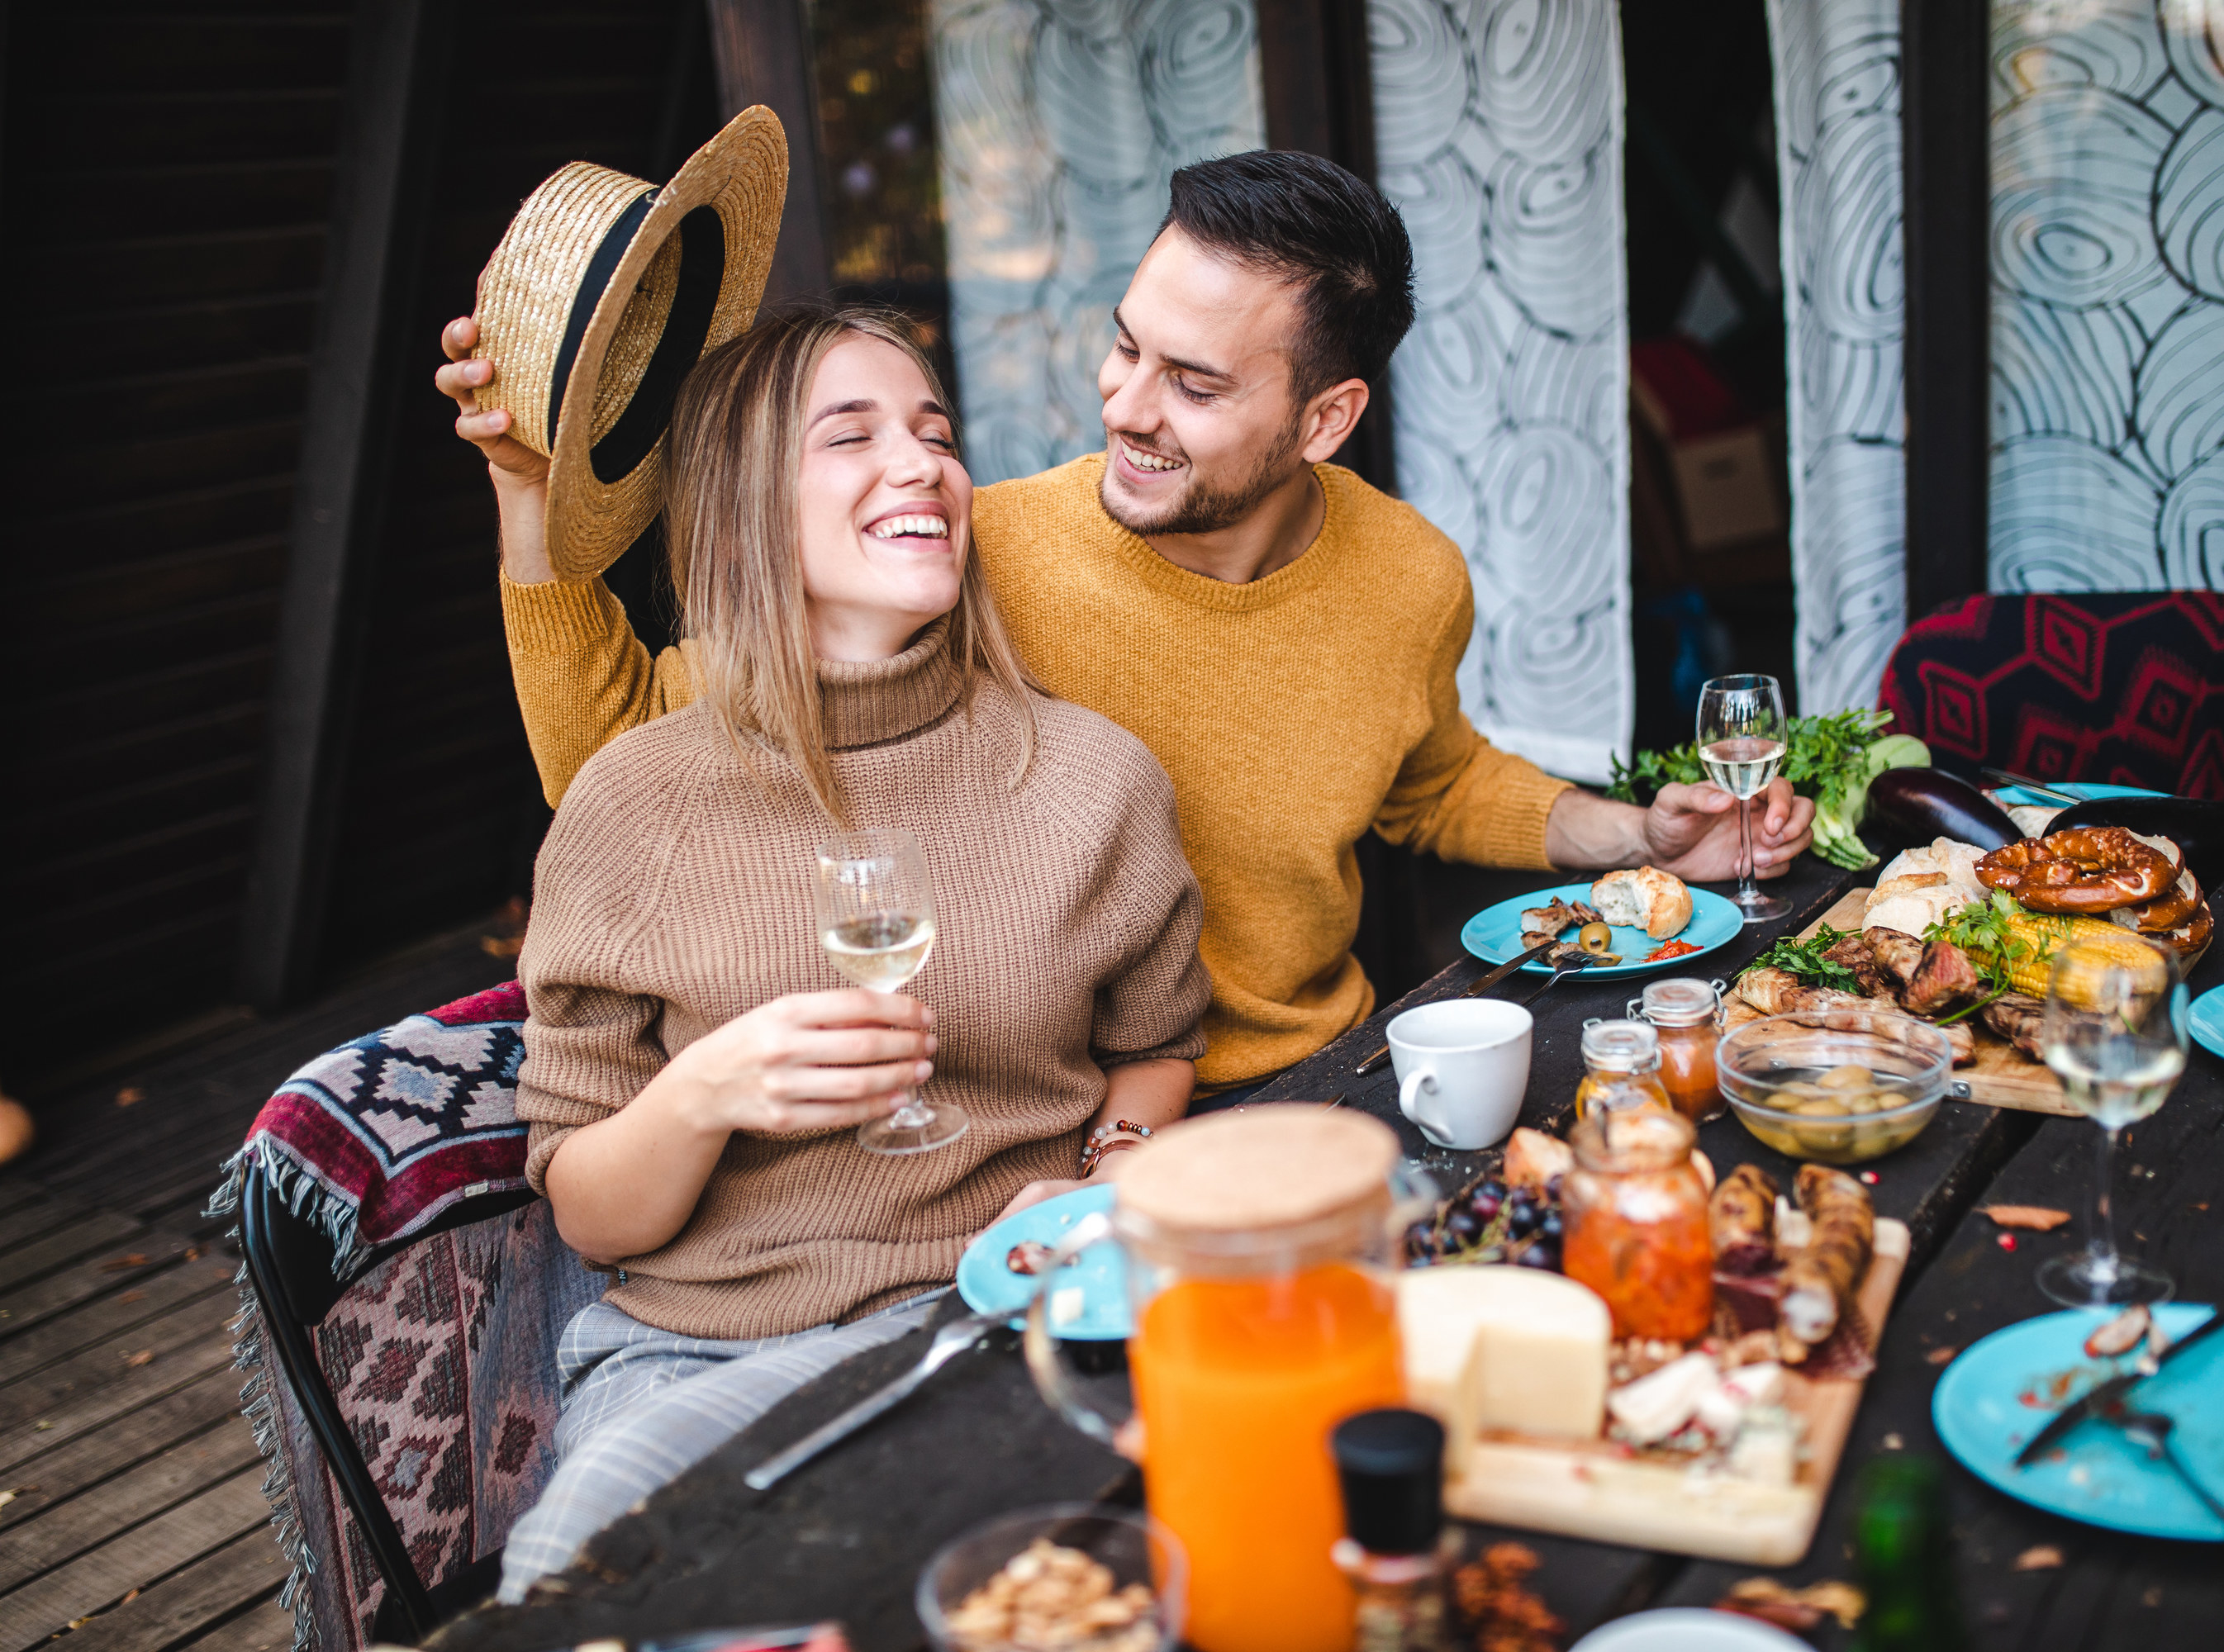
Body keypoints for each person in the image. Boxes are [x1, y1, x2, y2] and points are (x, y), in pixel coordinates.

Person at [442, 151, 1813, 1100]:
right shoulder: (977, 554)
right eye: (1126, 346)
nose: (1127, 406)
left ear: (1323, 420)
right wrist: (526, 504)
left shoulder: (1411, 574)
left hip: (1346, 1070)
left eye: (1196, 382)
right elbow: (622, 766)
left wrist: (1641, 836)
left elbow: (1435, 779)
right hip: (1067, 1126)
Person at [497, 307, 1209, 1597]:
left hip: (1003, 1315)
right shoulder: (634, 803)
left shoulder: (1092, 778)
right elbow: (592, 1215)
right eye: (854, 435)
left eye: (937, 434)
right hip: (706, 1354)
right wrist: (709, 1090)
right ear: (745, 507)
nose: (923, 463)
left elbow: (1156, 1047)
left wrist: (1110, 1173)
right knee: (589, 1584)